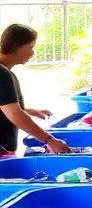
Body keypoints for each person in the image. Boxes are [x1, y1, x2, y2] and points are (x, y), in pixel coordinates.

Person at [0, 24, 69, 154]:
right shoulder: (2, 74)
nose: (32, 52)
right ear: (16, 47)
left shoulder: (7, 72)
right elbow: (15, 114)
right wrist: (49, 140)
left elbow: (5, 106)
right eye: (30, 47)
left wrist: (28, 110)